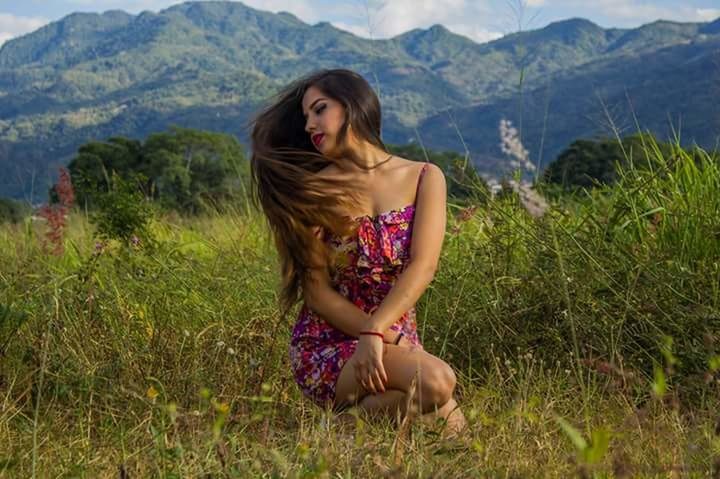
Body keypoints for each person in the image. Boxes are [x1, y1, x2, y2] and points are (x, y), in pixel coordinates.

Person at [248, 68, 466, 435]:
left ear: (351, 106)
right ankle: (346, 421)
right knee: (438, 383)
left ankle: (341, 429)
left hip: (389, 336)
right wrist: (372, 334)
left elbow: (423, 265)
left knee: (458, 438)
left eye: (319, 110)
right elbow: (317, 295)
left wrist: (379, 332)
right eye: (305, 117)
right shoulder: (312, 191)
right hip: (329, 341)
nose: (309, 126)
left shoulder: (425, 177)